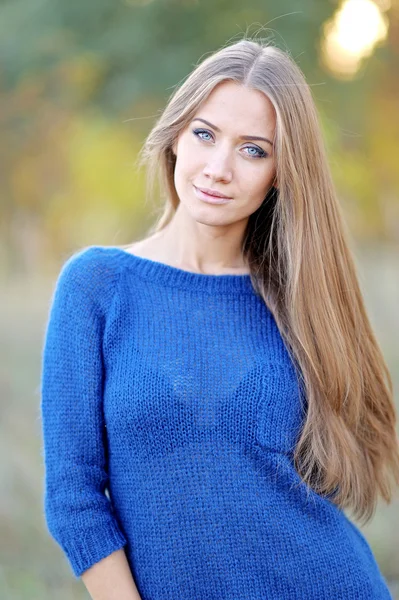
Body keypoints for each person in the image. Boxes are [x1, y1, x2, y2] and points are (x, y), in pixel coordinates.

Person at [40, 38, 399, 599]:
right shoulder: (97, 287)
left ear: (281, 172)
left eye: (254, 150)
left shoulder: (300, 299)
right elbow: (73, 498)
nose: (219, 168)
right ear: (176, 135)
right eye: (205, 134)